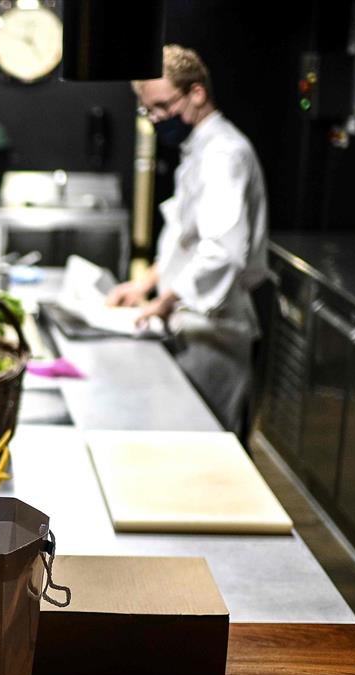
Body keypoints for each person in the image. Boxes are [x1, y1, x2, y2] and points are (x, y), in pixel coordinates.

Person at [107, 45, 269, 433]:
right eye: (149, 111)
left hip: (215, 330)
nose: (158, 119)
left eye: (163, 106)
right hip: (192, 323)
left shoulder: (223, 154)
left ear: (197, 93)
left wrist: (163, 301)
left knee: (206, 443)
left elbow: (222, 252)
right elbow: (186, 238)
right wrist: (144, 284)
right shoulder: (197, 150)